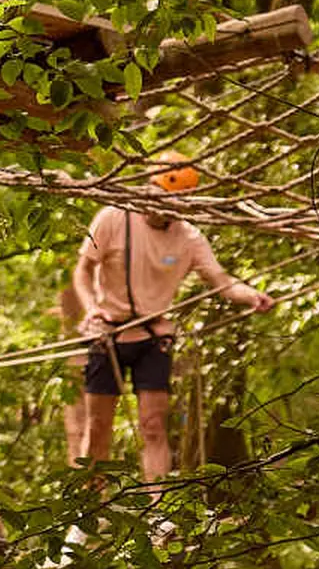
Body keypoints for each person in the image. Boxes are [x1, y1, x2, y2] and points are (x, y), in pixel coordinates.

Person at [66, 162, 269, 481]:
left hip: (153, 336)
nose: (166, 211)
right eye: (163, 201)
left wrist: (251, 296)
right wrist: (90, 308)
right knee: (98, 425)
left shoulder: (188, 237)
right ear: (148, 188)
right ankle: (86, 512)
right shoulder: (113, 218)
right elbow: (82, 270)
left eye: (175, 205)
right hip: (107, 333)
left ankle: (157, 514)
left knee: (153, 424)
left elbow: (221, 281)